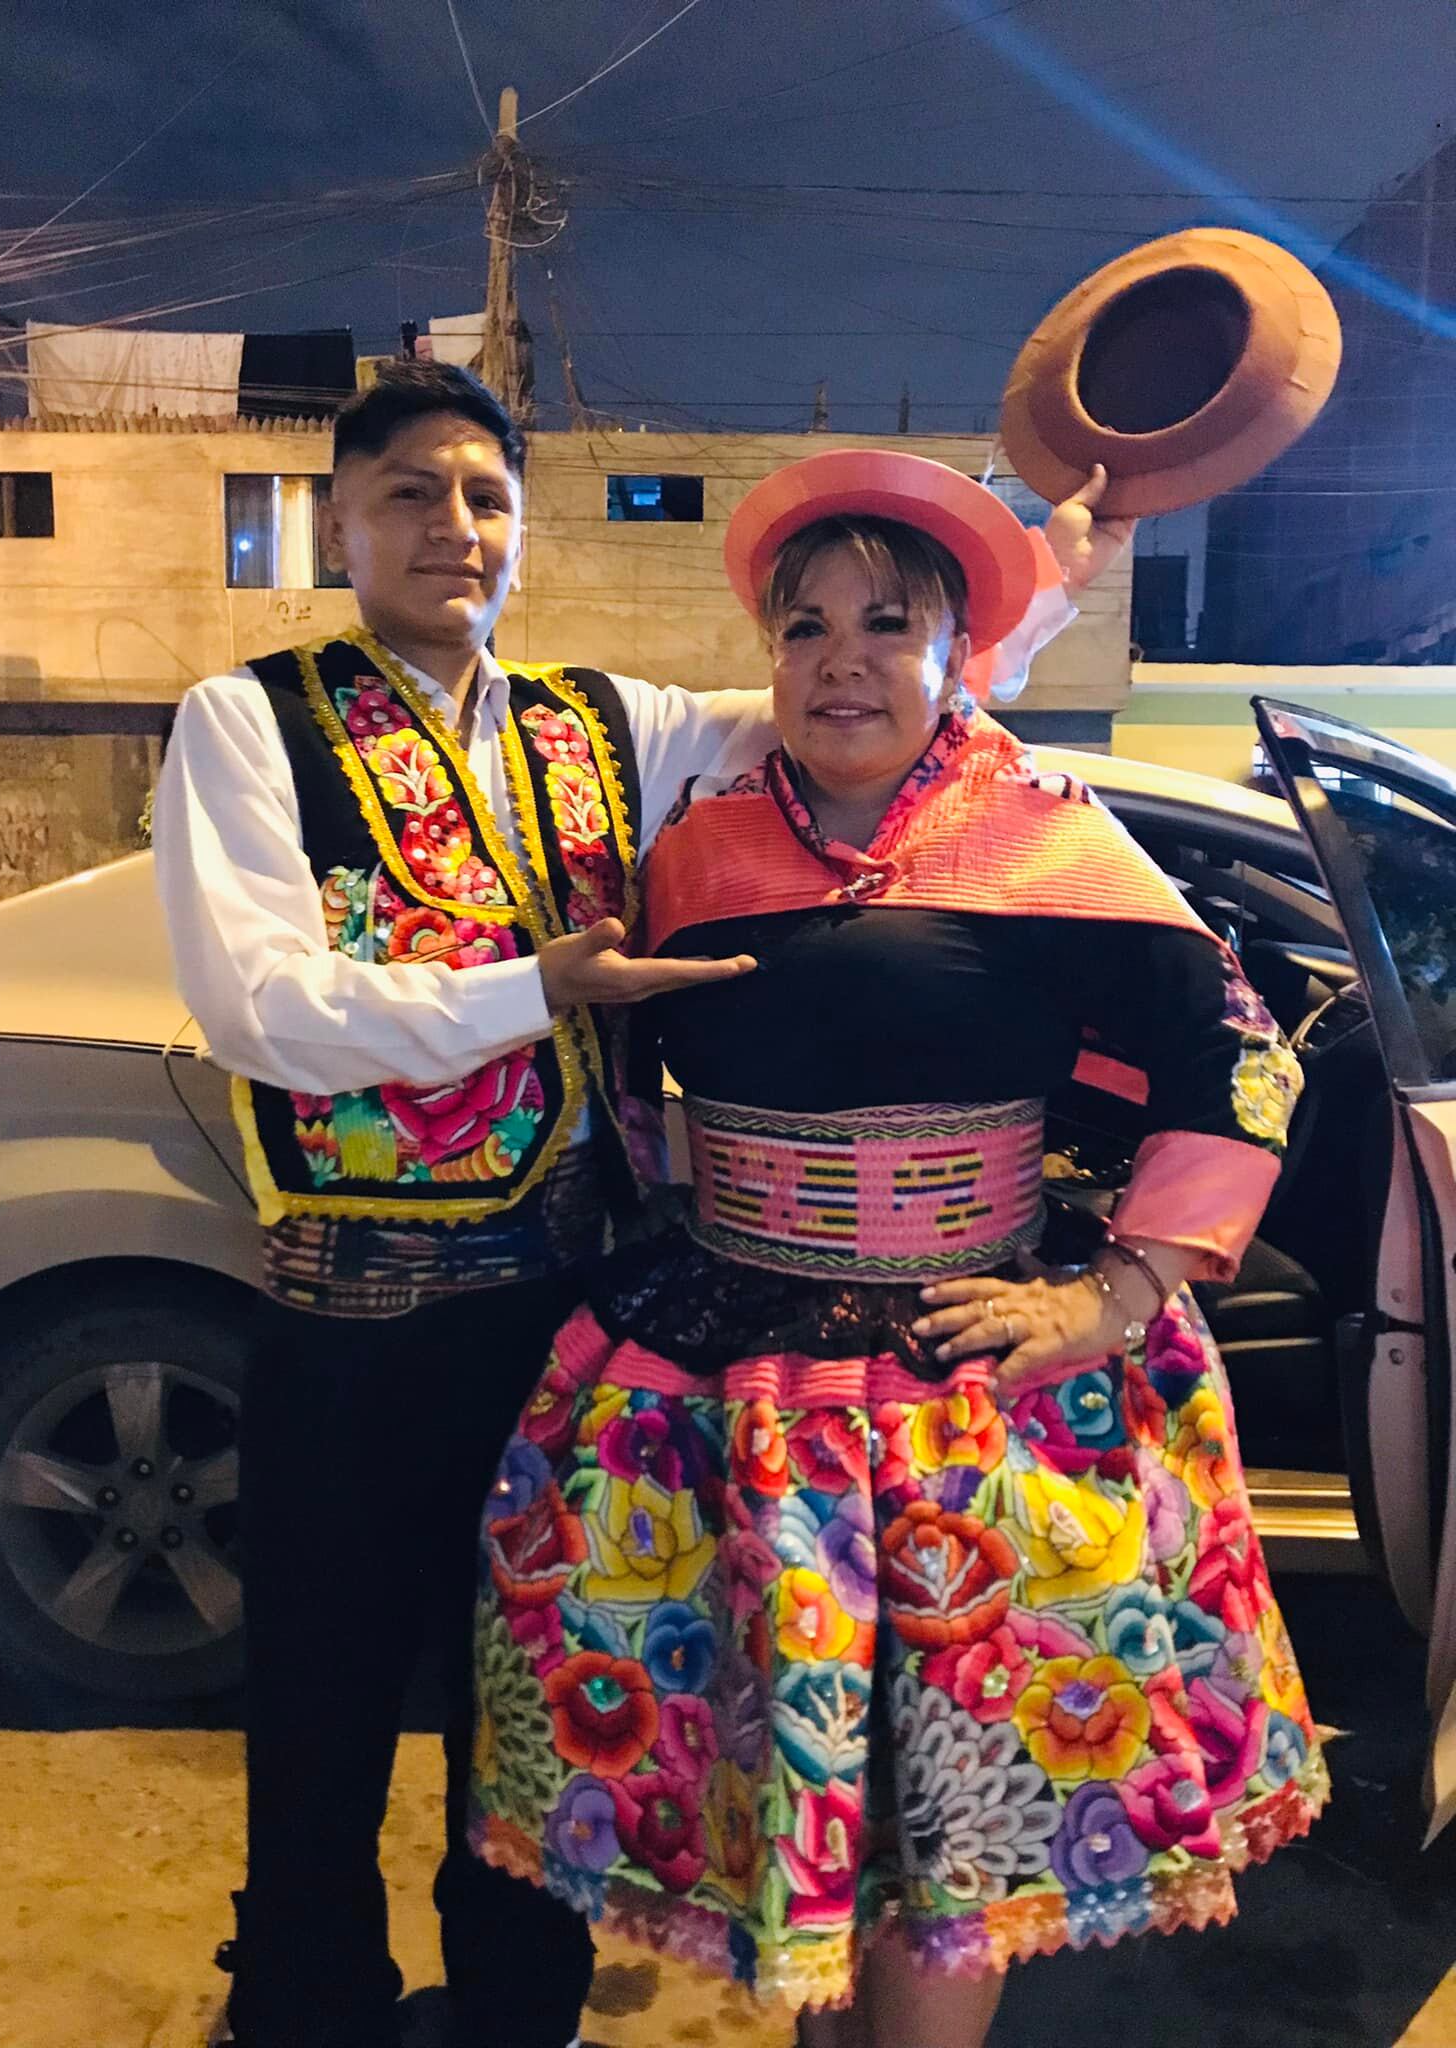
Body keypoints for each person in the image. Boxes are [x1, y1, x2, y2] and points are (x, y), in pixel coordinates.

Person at [153, 369, 1103, 2048]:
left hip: (568, 1325)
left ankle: (516, 2013)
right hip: (356, 1312)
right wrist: (543, 984)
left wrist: (1023, 594)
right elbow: (260, 1006)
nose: (455, 529)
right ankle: (304, 2005)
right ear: (341, 523)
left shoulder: (603, 723)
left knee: (531, 1707)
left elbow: (841, 711)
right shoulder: (254, 718)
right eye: (411, 497)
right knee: (322, 1706)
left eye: (485, 498)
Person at [466, 448, 1325, 2048]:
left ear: (954, 662)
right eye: (803, 628)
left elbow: (1240, 1050)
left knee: (946, 1850)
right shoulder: (699, 858)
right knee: (804, 1825)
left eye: (887, 624)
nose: (841, 659)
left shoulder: (1051, 841)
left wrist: (1115, 1290)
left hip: (965, 1408)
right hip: (728, 1400)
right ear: (770, 662)